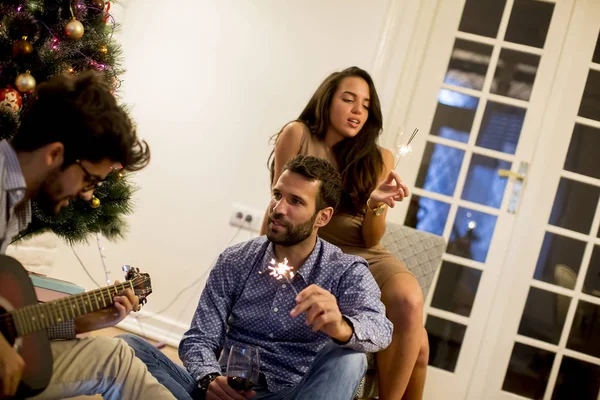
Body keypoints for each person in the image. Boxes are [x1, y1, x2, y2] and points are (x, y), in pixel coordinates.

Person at [119, 155, 392, 400]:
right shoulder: (236, 260)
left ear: (323, 217)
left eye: (295, 201)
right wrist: (210, 379)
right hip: (224, 392)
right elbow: (199, 338)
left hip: (291, 394)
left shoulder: (344, 270)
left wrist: (341, 327)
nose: (278, 208)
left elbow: (381, 330)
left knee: (351, 359)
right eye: (277, 195)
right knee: (127, 348)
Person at [0, 71, 175, 399]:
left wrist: (85, 321)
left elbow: (10, 323)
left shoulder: (17, 205)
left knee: (116, 357)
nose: (86, 195)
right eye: (90, 180)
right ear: (54, 155)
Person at [261, 66, 428, 400]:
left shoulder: (379, 158)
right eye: (348, 99)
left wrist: (375, 204)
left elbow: (371, 239)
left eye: (365, 105)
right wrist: (264, 260)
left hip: (364, 255)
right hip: (314, 252)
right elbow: (280, 206)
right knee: (420, 347)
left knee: (409, 301)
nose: (357, 111)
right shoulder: (298, 135)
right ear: (326, 101)